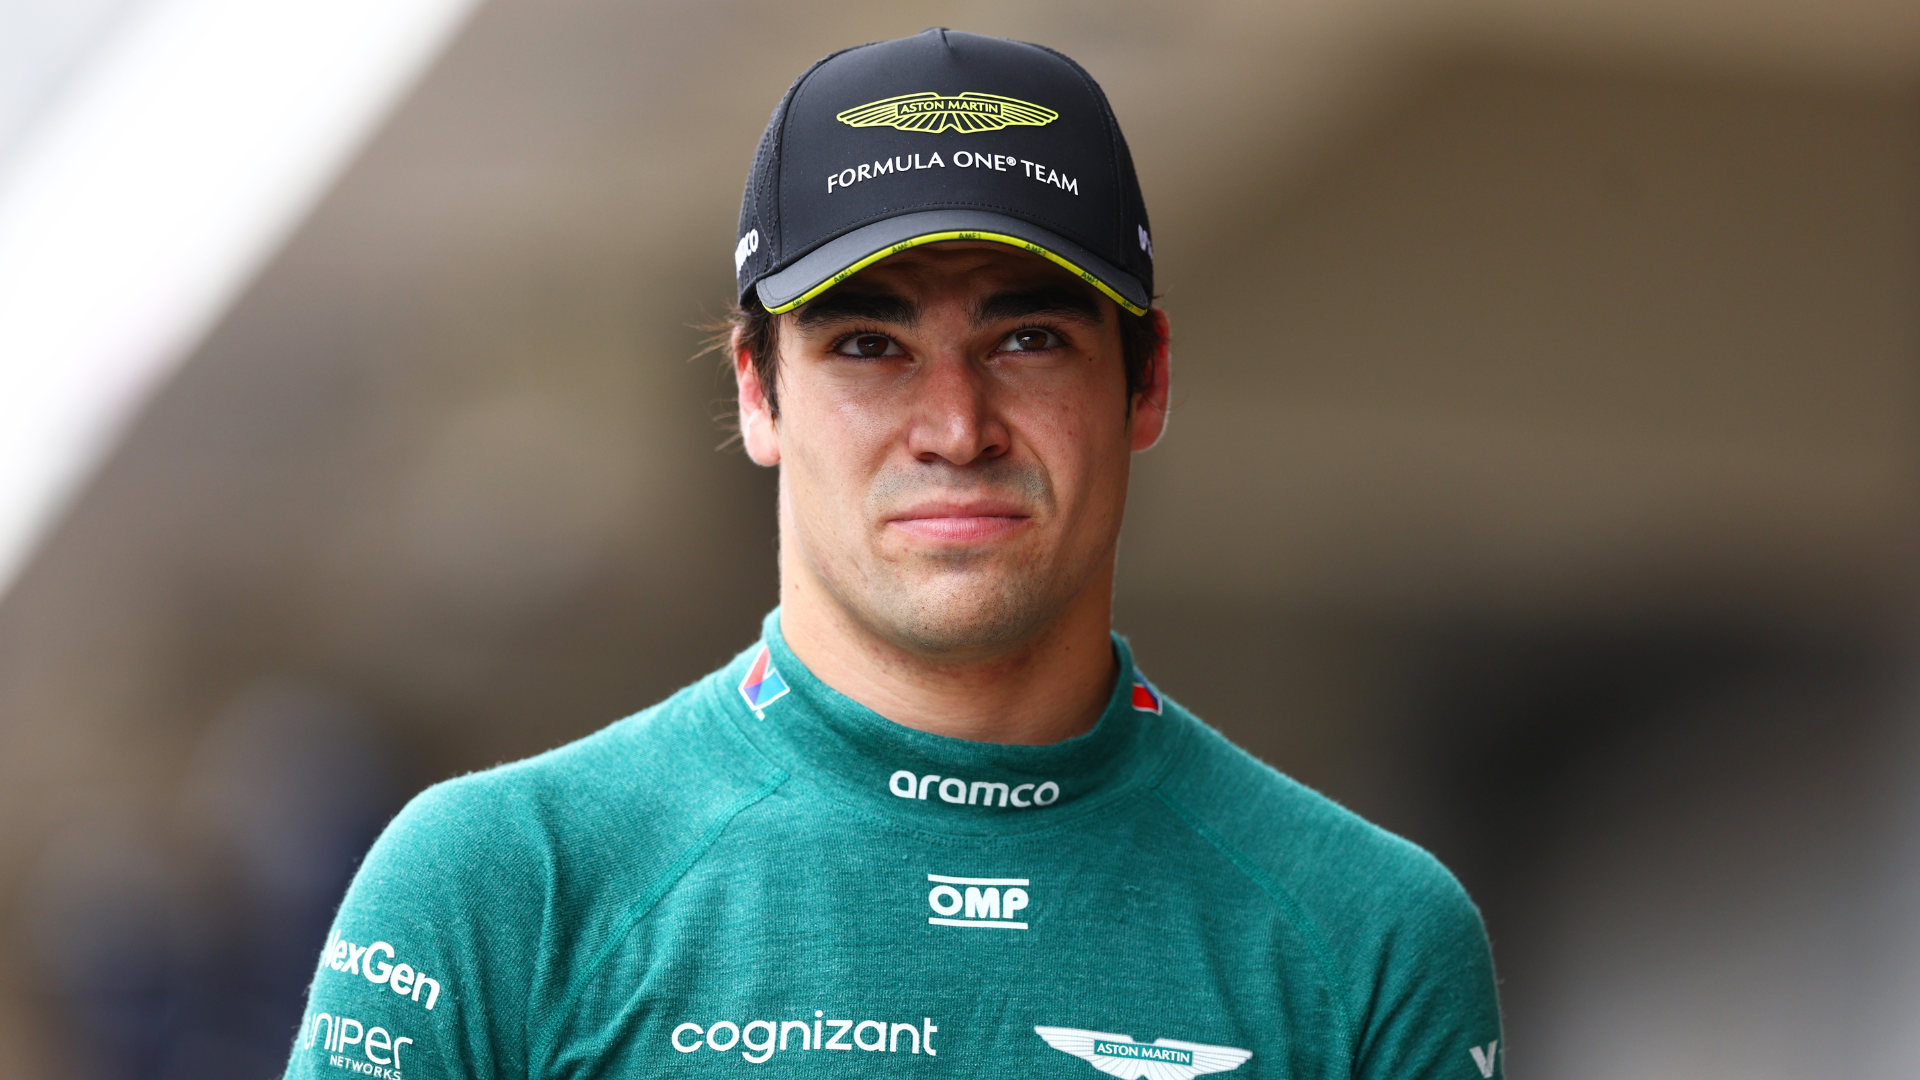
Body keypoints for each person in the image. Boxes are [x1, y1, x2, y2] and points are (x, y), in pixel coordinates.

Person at [282, 28, 1503, 1080]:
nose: (957, 428)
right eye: (870, 346)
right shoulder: (502, 884)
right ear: (757, 391)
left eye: (1028, 339)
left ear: (1148, 381)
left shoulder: (1371, 935)